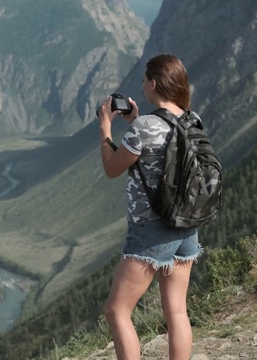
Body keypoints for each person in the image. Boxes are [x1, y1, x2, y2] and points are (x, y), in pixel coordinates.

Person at [97, 54, 202, 360]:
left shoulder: (144, 127)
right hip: (187, 225)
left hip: (151, 230)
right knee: (177, 312)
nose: (142, 84)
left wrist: (106, 129)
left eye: (144, 80)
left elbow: (112, 168)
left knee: (117, 310)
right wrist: (134, 122)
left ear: (153, 84)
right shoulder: (191, 119)